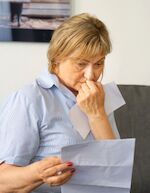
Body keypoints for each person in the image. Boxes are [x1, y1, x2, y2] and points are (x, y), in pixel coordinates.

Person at [0, 13, 120, 193]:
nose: (91, 75)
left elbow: (117, 173)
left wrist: (97, 114)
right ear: (57, 58)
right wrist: (38, 173)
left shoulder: (100, 97)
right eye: (81, 64)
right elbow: (2, 180)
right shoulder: (30, 99)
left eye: (99, 64)